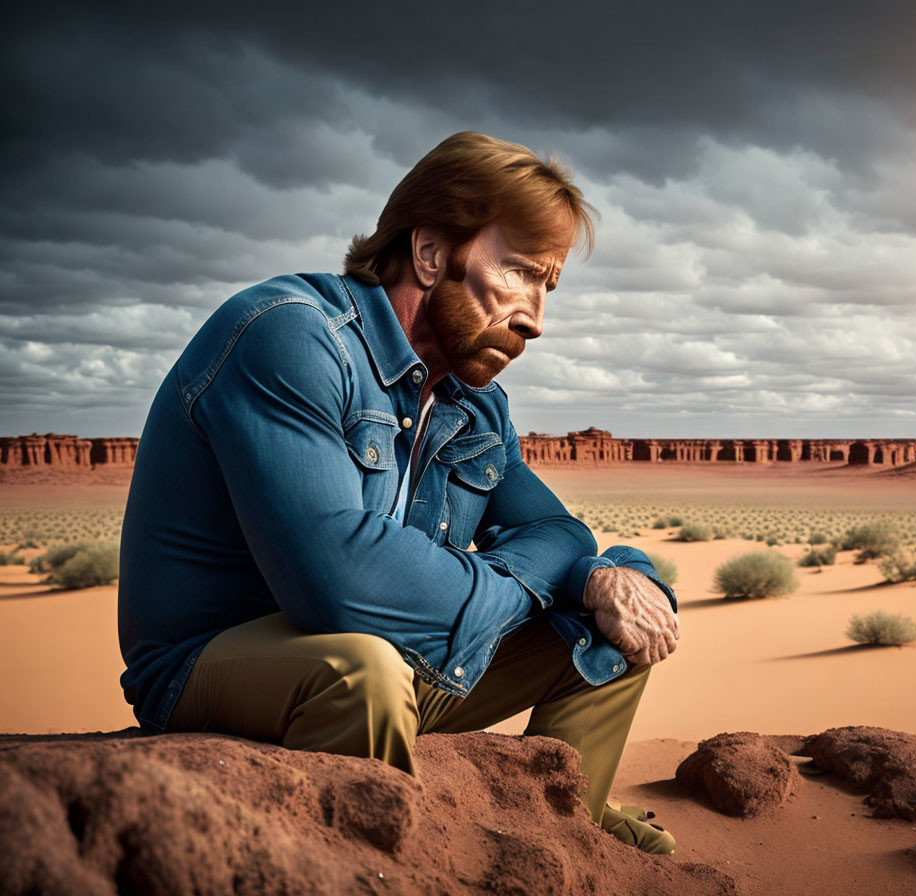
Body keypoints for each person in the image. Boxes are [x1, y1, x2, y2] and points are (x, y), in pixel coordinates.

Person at [117, 132, 680, 853]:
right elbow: (340, 589)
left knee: (632, 607)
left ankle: (566, 835)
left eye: (549, 287)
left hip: (405, 653)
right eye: (518, 273)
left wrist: (609, 572)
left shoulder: (476, 405)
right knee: (363, 670)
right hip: (214, 667)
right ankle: (370, 864)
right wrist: (521, 579)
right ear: (430, 253)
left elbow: (562, 534)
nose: (536, 319)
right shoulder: (290, 336)